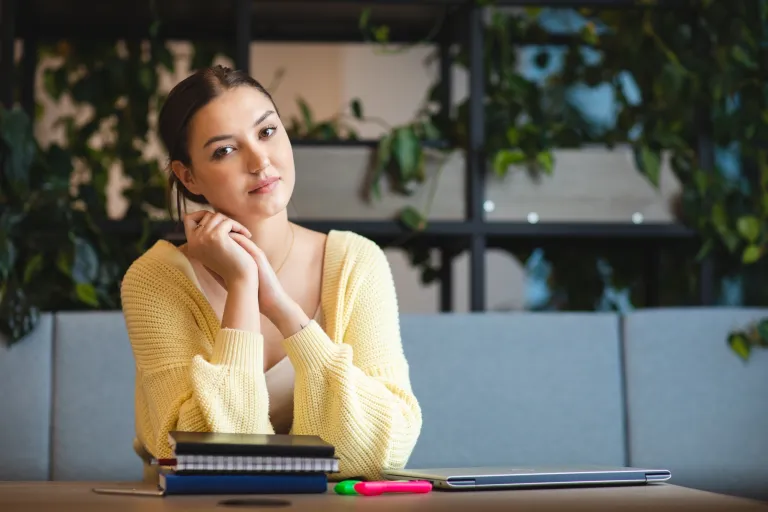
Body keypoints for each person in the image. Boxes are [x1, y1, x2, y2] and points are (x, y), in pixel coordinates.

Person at [120, 65, 422, 482]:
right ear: (188, 176)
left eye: (267, 132)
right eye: (225, 150)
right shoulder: (155, 280)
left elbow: (381, 450)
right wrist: (243, 285)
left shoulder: (356, 262)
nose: (261, 160)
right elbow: (212, 460)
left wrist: (283, 310)